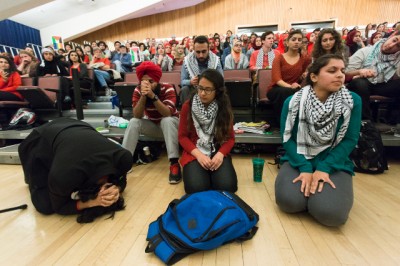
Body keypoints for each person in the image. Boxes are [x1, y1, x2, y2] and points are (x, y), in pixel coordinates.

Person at [275, 54, 362, 226]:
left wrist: (324, 168)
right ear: (314, 76)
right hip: (299, 159)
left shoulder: (353, 101)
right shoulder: (292, 102)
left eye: (342, 71)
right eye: (332, 70)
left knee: (330, 214)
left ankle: (319, 197)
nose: (340, 75)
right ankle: (307, 192)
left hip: (333, 161)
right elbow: (287, 139)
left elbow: (350, 140)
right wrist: (305, 167)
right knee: (290, 203)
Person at [18, 118, 133, 216]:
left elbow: (123, 180)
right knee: (44, 205)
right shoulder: (65, 175)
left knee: (55, 188)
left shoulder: (124, 159)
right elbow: (59, 208)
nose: (106, 189)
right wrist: (91, 203)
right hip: (39, 138)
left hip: (75, 127)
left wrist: (117, 188)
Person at [178, 69, 237, 194]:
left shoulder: (224, 106)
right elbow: (182, 137)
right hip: (195, 151)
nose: (202, 93)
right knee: (196, 188)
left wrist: (220, 155)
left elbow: (230, 138)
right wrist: (199, 155)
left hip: (217, 149)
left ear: (218, 91)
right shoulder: (187, 106)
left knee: (227, 186)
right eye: (200, 88)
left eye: (208, 89)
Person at [122, 61, 181, 184]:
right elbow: (137, 115)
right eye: (144, 81)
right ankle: (124, 163)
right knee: (133, 122)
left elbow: (167, 113)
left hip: (173, 126)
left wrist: (153, 96)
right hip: (155, 126)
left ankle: (174, 163)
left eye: (150, 81)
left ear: (157, 80)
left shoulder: (168, 88)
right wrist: (144, 96)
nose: (147, 84)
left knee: (167, 120)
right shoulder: (138, 91)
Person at [346, 31, 400, 124]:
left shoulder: (398, 58)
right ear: (391, 36)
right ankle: (365, 122)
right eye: (394, 40)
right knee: (359, 83)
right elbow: (345, 71)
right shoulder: (366, 51)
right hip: (363, 84)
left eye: (398, 46)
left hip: (382, 85)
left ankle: (393, 121)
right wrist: (359, 71)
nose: (391, 45)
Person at [267, 30, 311, 126]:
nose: (297, 42)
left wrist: (303, 76)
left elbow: (302, 75)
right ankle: (283, 123)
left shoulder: (305, 58)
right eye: (294, 39)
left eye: (299, 40)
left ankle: (300, 124)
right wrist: (291, 87)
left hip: (294, 88)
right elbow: (277, 79)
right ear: (287, 42)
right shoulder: (279, 58)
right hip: (276, 89)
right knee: (285, 92)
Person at [180, 35, 223, 104]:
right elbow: (182, 82)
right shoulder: (187, 61)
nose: (201, 55)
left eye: (203, 51)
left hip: (211, 90)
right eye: (198, 52)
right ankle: (188, 112)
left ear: (208, 48)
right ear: (193, 49)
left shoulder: (216, 60)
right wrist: (190, 82)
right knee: (184, 89)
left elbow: (221, 80)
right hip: (194, 90)